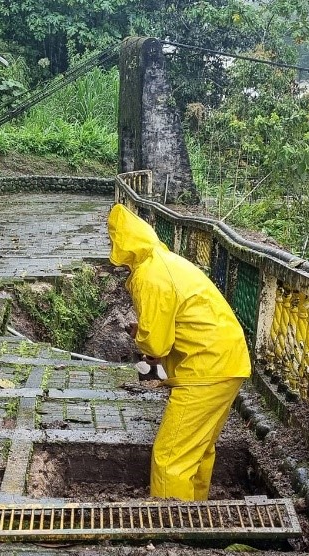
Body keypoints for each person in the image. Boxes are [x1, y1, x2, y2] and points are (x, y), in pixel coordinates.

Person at [106, 203, 252, 501]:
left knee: (170, 456)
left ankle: (170, 529)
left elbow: (156, 345)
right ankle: (194, 515)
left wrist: (142, 337)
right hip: (227, 362)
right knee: (197, 449)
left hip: (206, 368)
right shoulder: (166, 261)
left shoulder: (150, 276)